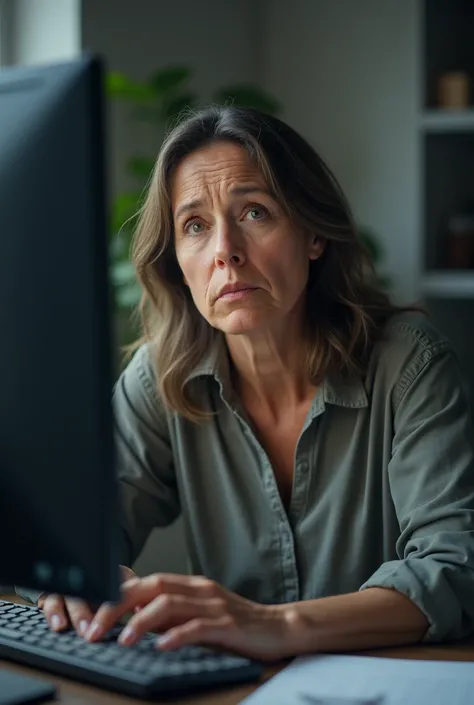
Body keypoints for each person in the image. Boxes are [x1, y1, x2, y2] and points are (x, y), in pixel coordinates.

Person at [33, 106, 474, 661]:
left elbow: (455, 568)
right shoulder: (163, 374)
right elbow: (65, 531)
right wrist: (77, 577)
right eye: (195, 225)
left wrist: (274, 625)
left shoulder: (409, 363)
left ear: (313, 235)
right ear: (176, 261)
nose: (225, 251)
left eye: (256, 213)